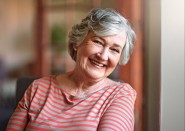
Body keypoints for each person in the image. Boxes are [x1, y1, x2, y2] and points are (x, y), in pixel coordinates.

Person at [7, 8, 136, 131]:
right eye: (98, 42)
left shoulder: (120, 95)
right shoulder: (38, 88)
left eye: (114, 50)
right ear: (77, 43)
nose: (103, 56)